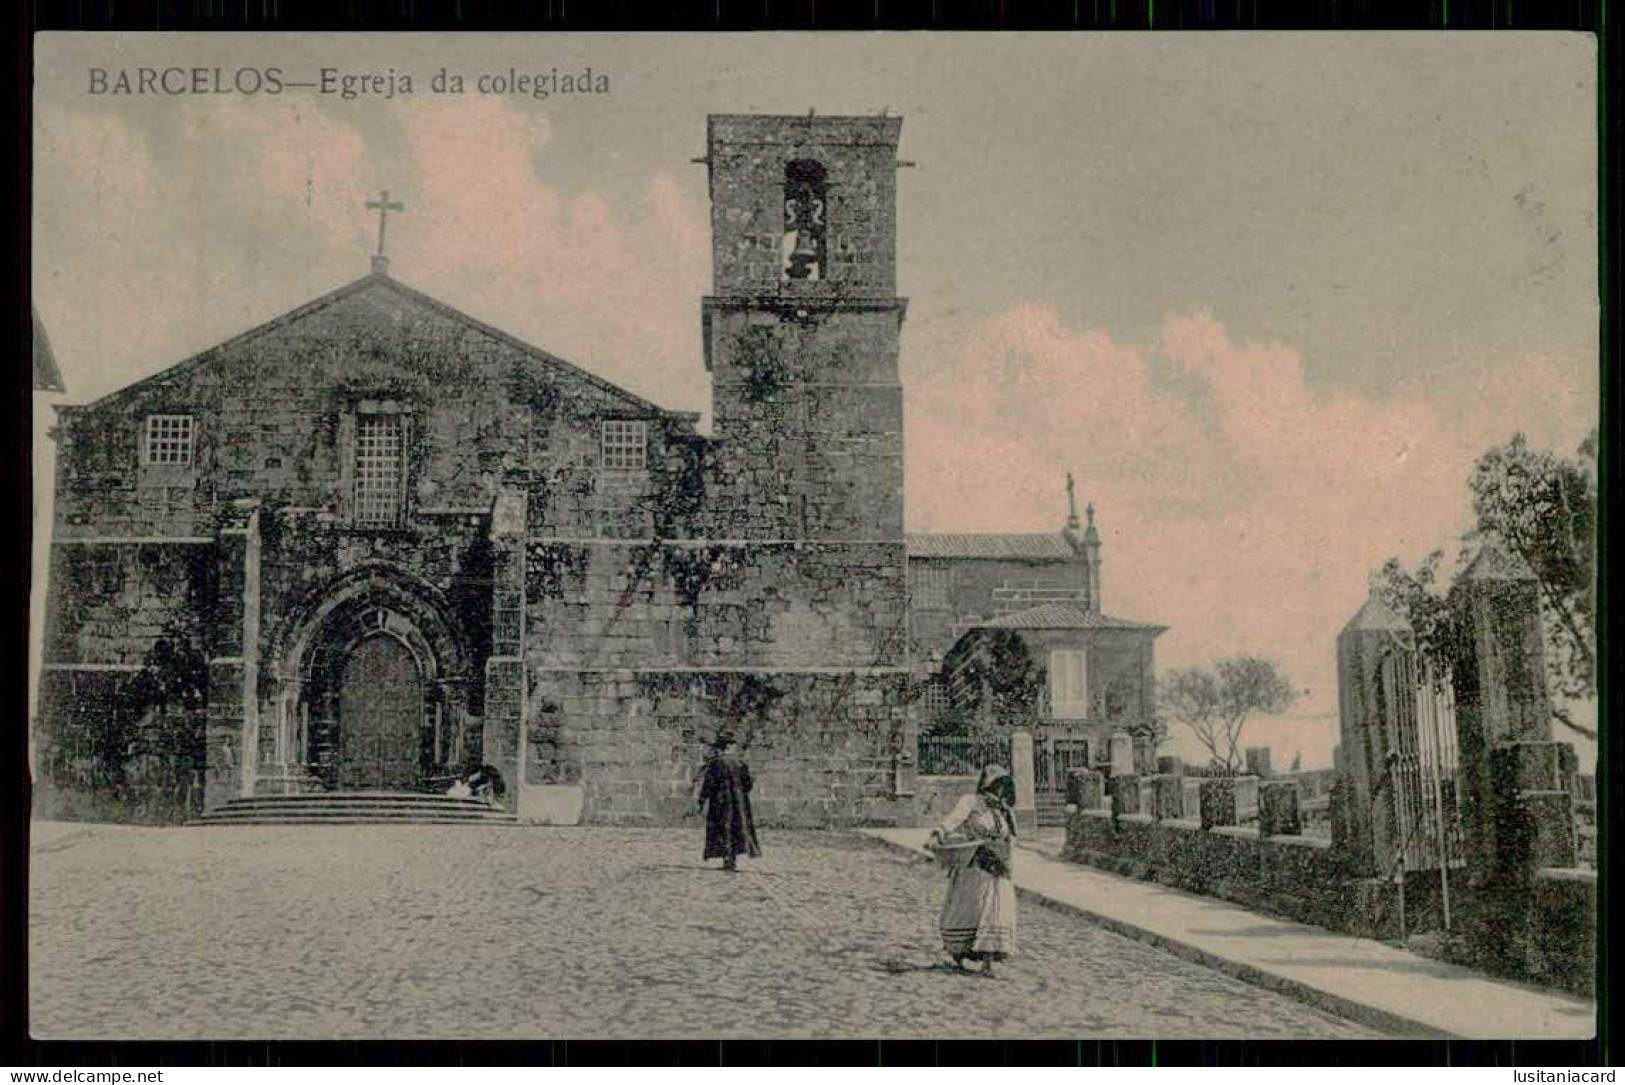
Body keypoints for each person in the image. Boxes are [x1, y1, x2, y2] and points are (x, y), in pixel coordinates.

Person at [928, 764, 1018, 977]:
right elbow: (953, 820)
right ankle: (958, 954)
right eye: (996, 785)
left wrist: (1010, 863)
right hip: (974, 865)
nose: (999, 790)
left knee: (997, 911)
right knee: (971, 910)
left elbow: (1010, 839)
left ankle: (988, 962)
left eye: (1004, 786)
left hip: (998, 868)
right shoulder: (970, 802)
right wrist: (937, 835)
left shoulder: (1004, 810)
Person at [694, 730, 761, 872]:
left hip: (720, 802)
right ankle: (733, 859)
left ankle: (727, 858)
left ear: (720, 748)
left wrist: (701, 801)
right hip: (739, 802)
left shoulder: (715, 763)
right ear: (730, 747)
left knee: (722, 828)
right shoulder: (740, 763)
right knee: (737, 828)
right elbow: (748, 785)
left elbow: (708, 785)